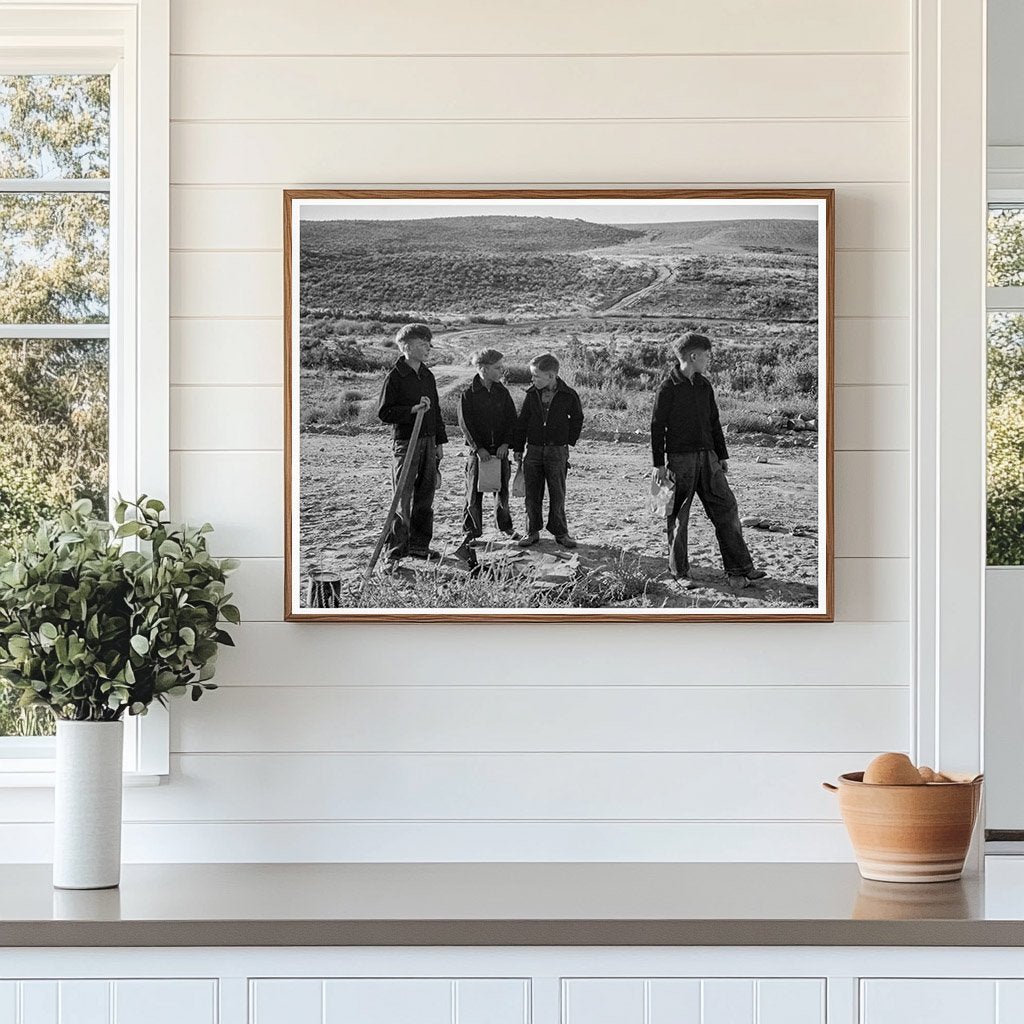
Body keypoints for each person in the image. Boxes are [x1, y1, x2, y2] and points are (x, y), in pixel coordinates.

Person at [650, 332, 767, 585]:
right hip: (680, 460)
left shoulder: (704, 385)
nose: (708, 361)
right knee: (678, 516)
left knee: (726, 508)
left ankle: (740, 568)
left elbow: (714, 422)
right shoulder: (668, 387)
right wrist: (658, 464)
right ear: (693, 356)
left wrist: (721, 455)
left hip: (709, 458)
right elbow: (657, 426)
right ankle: (679, 573)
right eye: (706, 356)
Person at [376, 323, 447, 562]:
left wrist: (439, 443)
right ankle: (395, 552)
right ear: (405, 347)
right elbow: (384, 413)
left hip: (428, 441)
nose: (427, 348)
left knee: (425, 497)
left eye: (429, 344)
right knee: (402, 498)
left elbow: (435, 410)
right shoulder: (395, 377)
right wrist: (411, 410)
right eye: (421, 344)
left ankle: (419, 546)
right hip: (406, 442)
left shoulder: (428, 375)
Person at [455, 348, 520, 569]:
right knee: (473, 494)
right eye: (497, 367)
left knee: (501, 492)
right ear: (483, 368)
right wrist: (478, 448)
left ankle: (506, 527)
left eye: (501, 366)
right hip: (478, 454)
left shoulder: (503, 393)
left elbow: (512, 420)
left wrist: (505, 444)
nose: (501, 371)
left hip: (500, 451)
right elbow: (466, 425)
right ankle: (471, 533)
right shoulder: (468, 394)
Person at [512, 353, 584, 549]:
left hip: (557, 452)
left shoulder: (569, 395)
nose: (532, 379)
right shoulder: (531, 394)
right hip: (533, 451)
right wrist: (518, 448)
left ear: (551, 376)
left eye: (537, 376)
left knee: (557, 493)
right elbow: (522, 423)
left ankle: (561, 533)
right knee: (532, 494)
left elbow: (577, 418)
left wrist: (567, 440)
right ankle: (531, 531)